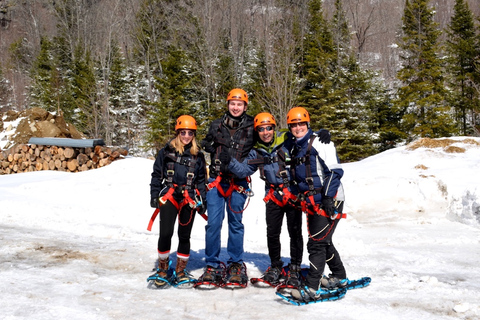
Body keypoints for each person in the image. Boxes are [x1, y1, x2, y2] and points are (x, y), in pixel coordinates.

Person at [221, 112, 304, 287]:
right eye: (261, 129)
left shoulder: (287, 140)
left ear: (274, 128)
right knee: (272, 233)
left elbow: (303, 136)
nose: (265, 132)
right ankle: (275, 266)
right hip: (273, 196)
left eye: (268, 128)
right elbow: (243, 170)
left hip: (293, 193)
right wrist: (229, 161)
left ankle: (295, 268)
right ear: (257, 131)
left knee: (294, 231)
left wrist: (320, 134)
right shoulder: (256, 151)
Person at [283, 107, 348, 302]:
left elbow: (335, 172)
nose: (298, 128)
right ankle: (340, 277)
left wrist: (328, 198)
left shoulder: (321, 142)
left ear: (307, 124)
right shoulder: (294, 146)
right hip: (312, 202)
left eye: (301, 124)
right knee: (323, 242)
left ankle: (312, 287)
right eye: (294, 125)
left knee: (316, 244)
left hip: (330, 199)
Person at [196, 88, 255, 288]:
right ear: (228, 105)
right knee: (213, 224)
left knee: (235, 224)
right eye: (232, 103)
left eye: (239, 104)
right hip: (216, 181)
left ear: (245, 106)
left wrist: (313, 135)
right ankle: (212, 264)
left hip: (238, 182)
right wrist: (209, 146)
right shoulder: (216, 124)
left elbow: (271, 138)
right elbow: (205, 141)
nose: (235, 107)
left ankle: (235, 264)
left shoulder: (252, 125)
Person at [148, 115, 207, 288]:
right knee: (165, 233)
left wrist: (203, 201)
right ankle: (163, 267)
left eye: (190, 133)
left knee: (184, 235)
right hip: (170, 196)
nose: (186, 136)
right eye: (183, 132)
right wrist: (154, 194)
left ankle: (181, 270)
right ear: (178, 132)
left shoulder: (199, 156)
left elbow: (202, 181)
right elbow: (156, 175)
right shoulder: (166, 152)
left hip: (189, 198)